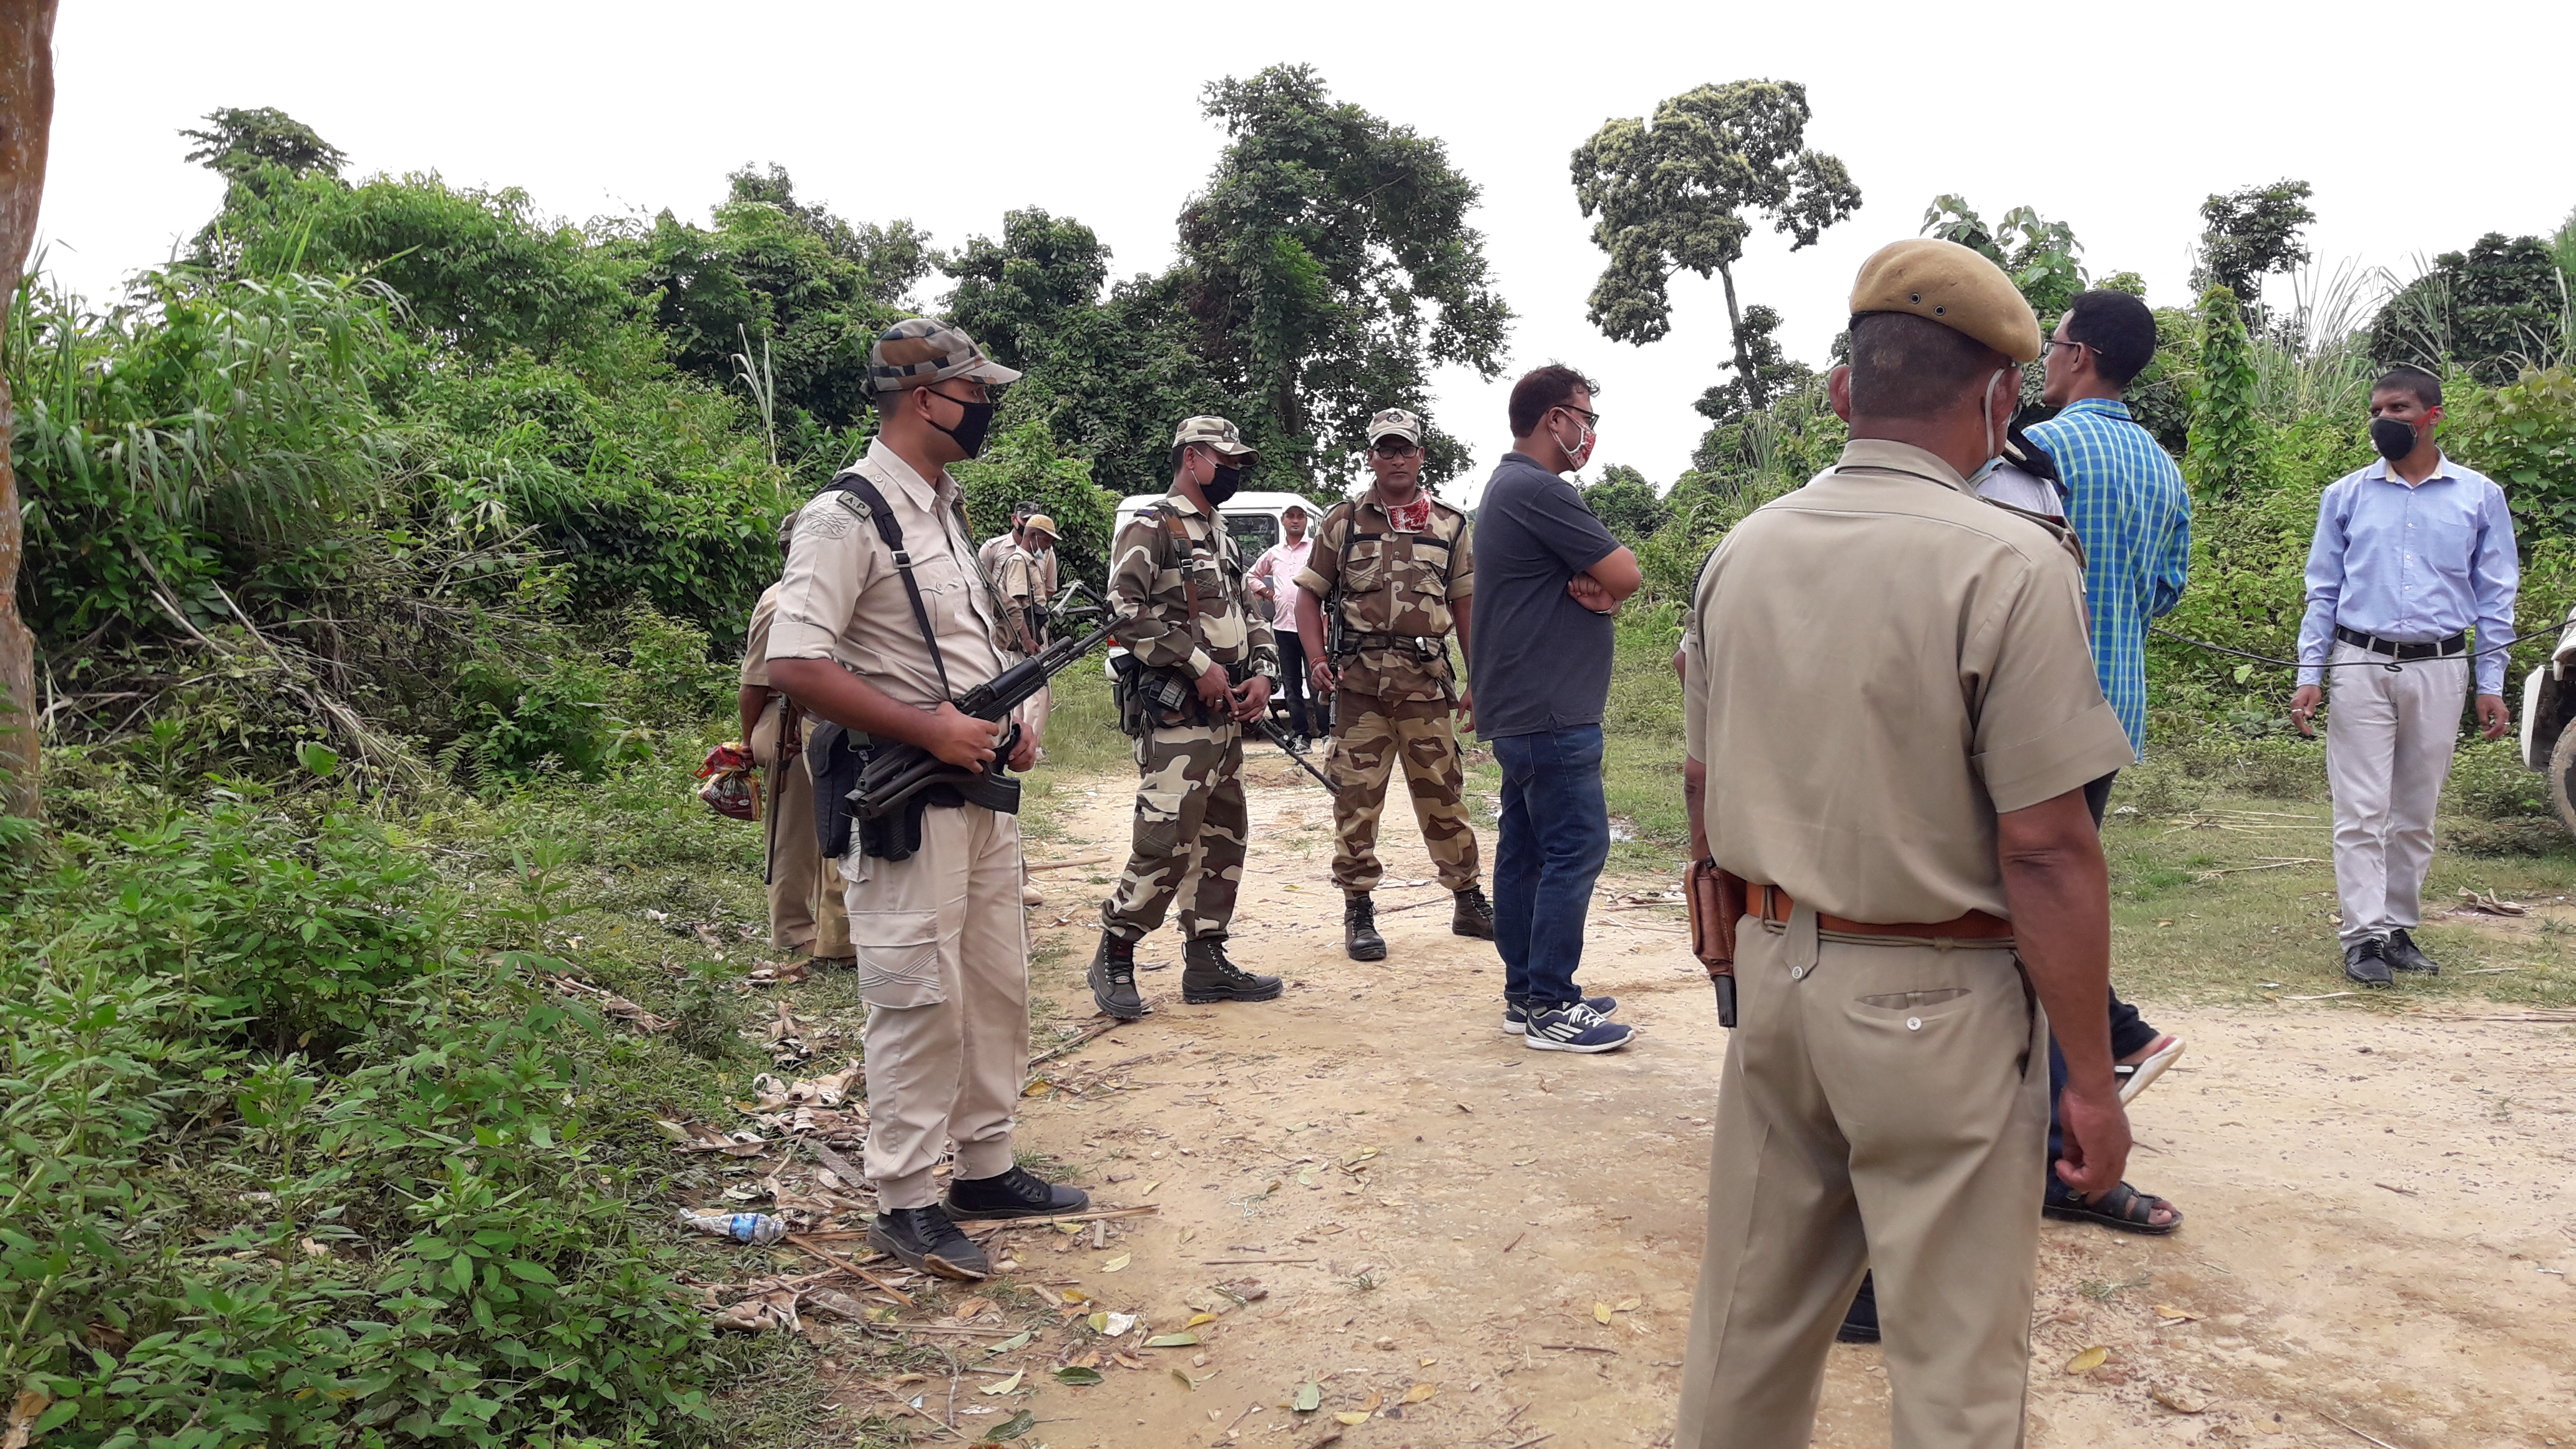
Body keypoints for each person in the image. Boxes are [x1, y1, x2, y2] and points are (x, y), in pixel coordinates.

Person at [1675, 238, 2137, 1448]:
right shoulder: (2013, 564)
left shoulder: (1742, 550)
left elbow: (1701, 781)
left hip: (1778, 977)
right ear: (1998, 399)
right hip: (1942, 1003)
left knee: (1747, 1333)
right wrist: (2091, 1080)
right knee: (1957, 1373)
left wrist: (1738, 964)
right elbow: (2045, 849)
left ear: (1843, 391)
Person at [767, 318, 1086, 1282]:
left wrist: (1015, 712)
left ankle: (984, 1166)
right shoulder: (845, 515)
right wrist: (929, 727)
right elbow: (795, 660)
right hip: (907, 793)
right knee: (917, 997)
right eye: (976, 392)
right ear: (924, 397)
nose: (987, 407)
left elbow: (970, 641)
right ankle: (905, 1198)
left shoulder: (943, 508)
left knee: (995, 985)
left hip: (976, 790)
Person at [2289, 366, 2518, 987]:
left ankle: (2396, 929)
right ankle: (2360, 937)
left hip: (2441, 665)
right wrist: (2311, 672)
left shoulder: (2478, 496)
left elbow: (2497, 595)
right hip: (2359, 662)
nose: (2383, 421)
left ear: (2432, 415)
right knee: (2361, 809)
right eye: (2377, 409)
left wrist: (2491, 681)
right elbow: (2323, 590)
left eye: (2398, 408)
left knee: (2415, 811)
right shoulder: (2346, 496)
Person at [1086, 416, 1287, 1021]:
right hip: (1177, 718)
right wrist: (1197, 661)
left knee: (1224, 836)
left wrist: (1265, 673)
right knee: (1166, 840)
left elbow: (1251, 611)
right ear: (1193, 457)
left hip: (1223, 719)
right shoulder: (1154, 525)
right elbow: (1121, 611)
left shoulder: (1221, 533)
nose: (1232, 471)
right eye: (1225, 461)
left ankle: (1206, 959)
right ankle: (1115, 952)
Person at [1469, 366, 1641, 1052]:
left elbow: (1602, 582)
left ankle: (1525, 992)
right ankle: (1550, 1002)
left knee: (1527, 852)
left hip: (1521, 709)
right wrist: (1609, 588)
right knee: (1576, 847)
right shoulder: (1538, 488)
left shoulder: (1504, 489)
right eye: (1583, 415)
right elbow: (1624, 571)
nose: (1588, 430)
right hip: (1551, 713)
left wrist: (1603, 589)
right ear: (1553, 419)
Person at [1294, 408, 1495, 961]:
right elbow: (1309, 595)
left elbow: (1465, 605)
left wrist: (1480, 679)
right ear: (1371, 459)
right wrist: (1314, 658)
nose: (1396, 459)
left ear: (1421, 457)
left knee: (1443, 795)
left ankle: (1468, 898)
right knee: (1356, 801)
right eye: (1386, 449)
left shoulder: (1451, 526)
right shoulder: (1343, 521)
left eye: (1405, 449)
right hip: (1359, 688)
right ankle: (1358, 909)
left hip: (1425, 686)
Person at [2027, 288, 2192, 822]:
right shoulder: (2164, 466)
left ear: (2079, 355)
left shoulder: (2039, 448)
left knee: (2008, 875)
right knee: (2071, 858)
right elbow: (2168, 588)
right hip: (2117, 706)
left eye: (2052, 343)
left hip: (2035, 706)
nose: (2046, 358)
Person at [739, 513, 852, 968]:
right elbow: (754, 684)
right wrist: (749, 744)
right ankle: (791, 928)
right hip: (783, 723)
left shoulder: (831, 594)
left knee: (832, 828)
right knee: (794, 831)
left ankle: (833, 931)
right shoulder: (779, 601)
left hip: (823, 724)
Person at [1246, 503, 1317, 746]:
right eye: (1290, 517)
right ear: (1283, 521)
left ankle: (1327, 734)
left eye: (1300, 517)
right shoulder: (1274, 553)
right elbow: (1251, 576)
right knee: (1291, 683)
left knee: (1317, 680)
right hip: (1283, 626)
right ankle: (1301, 736)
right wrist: (1268, 592)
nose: (1295, 521)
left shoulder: (1315, 550)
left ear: (1306, 521)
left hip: (1313, 627)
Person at [998, 514, 1058, 655]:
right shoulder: (1019, 561)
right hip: (1026, 642)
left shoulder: (1032, 561)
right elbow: (1016, 606)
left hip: (1036, 634)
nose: (1049, 546)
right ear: (1032, 536)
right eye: (1047, 540)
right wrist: (1027, 641)